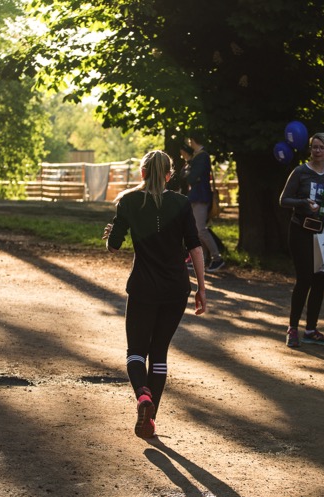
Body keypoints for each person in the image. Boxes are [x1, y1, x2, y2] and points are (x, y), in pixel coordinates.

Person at [103, 150, 207, 439]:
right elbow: (195, 246)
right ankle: (150, 421)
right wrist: (201, 288)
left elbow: (114, 247)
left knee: (136, 352)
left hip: (143, 288)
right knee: (159, 352)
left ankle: (142, 397)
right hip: (176, 288)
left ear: (143, 173)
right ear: (169, 176)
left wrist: (110, 234)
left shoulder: (129, 201)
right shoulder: (182, 203)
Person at [279, 132, 324, 347]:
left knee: (320, 280)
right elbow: (283, 200)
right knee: (304, 279)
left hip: (322, 234)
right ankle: (292, 328)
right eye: (314, 146)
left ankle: (311, 330)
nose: (317, 151)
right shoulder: (300, 172)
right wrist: (304, 203)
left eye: (321, 147)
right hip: (301, 231)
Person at [185, 133, 225, 272]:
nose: (189, 143)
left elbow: (191, 177)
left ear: (193, 140)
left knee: (200, 230)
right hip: (197, 196)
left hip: (200, 197)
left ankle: (217, 258)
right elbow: (189, 176)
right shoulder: (199, 156)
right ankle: (202, 259)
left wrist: (189, 175)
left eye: (189, 140)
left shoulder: (202, 156)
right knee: (198, 230)